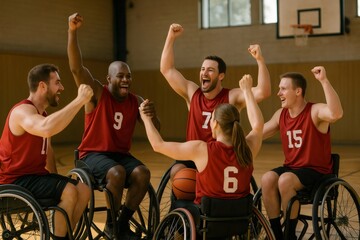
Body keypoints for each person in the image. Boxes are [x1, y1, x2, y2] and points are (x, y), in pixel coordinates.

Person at [67, 13, 160, 240]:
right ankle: (111, 225)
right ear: (109, 80)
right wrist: (72, 32)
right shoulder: (98, 93)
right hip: (91, 155)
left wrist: (152, 116)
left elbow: (155, 132)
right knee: (116, 173)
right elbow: (76, 69)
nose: (126, 80)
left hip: (118, 155)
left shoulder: (136, 101)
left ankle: (120, 224)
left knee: (142, 173)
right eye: (120, 76)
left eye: (129, 76)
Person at [160, 23, 271, 184]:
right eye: (202, 69)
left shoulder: (232, 97)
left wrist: (260, 60)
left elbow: (263, 91)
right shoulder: (192, 92)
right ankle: (179, 205)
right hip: (194, 155)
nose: (204, 73)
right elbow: (167, 70)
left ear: (220, 76)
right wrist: (170, 37)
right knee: (178, 173)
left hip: (221, 157)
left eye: (210, 70)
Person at [0, 63, 93, 240]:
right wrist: (79, 101)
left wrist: (57, 182)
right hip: (15, 180)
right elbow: (46, 129)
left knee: (83, 190)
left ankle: (63, 235)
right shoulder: (22, 111)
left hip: (34, 177)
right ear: (42, 86)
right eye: (57, 83)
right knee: (69, 191)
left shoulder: (41, 114)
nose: (62, 88)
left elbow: (47, 151)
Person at [140, 74, 263, 206]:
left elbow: (158, 145)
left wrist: (146, 119)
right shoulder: (248, 149)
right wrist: (247, 91)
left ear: (215, 124)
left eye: (211, 119)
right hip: (240, 217)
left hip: (209, 218)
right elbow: (257, 125)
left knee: (180, 203)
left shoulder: (202, 149)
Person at [260, 66, 343, 240]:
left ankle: (290, 236)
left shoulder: (314, 111)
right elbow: (259, 133)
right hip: (292, 169)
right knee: (267, 178)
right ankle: (276, 235)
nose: (278, 93)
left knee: (285, 180)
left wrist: (324, 81)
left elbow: (336, 113)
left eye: (283, 89)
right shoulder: (280, 115)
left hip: (317, 172)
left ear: (298, 91)